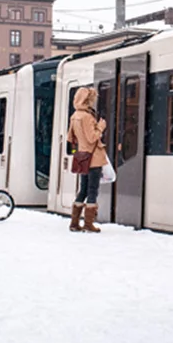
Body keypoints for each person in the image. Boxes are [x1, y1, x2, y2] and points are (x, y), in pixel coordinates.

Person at [66, 86, 107, 233]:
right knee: (92, 190)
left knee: (83, 189)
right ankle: (89, 224)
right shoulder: (87, 117)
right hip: (93, 157)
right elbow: (92, 138)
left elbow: (70, 137)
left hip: (82, 156)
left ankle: (74, 222)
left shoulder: (75, 116)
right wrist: (100, 127)